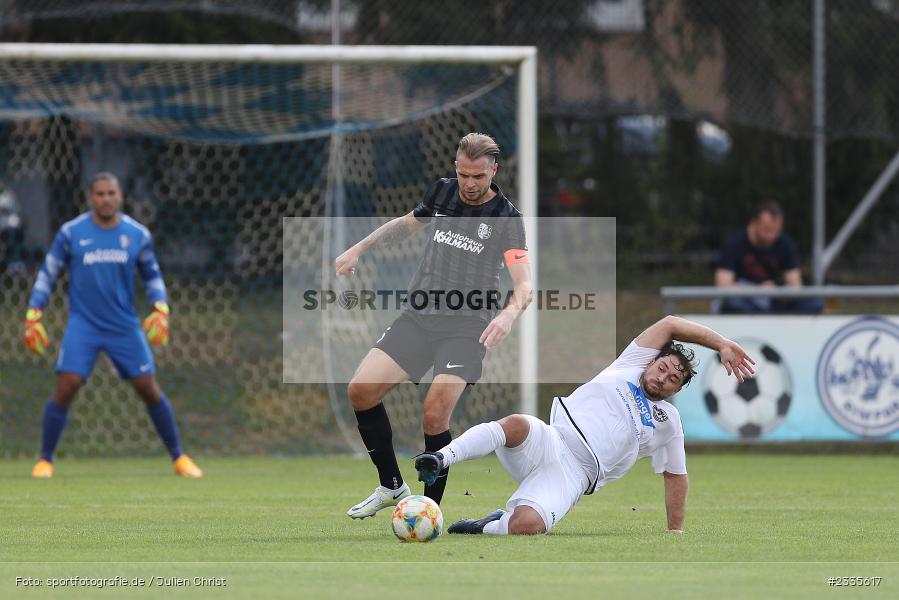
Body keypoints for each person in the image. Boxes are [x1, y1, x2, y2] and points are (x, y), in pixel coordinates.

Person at [335, 132, 532, 518]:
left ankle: (427, 509)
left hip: (466, 328)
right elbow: (405, 225)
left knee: (434, 412)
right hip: (418, 317)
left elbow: (524, 284)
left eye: (478, 176)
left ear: (494, 170)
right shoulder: (442, 193)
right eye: (463, 175)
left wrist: (508, 314)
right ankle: (392, 486)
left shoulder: (507, 220)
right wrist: (359, 247)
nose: (470, 184)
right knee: (361, 391)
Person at [414, 315, 754, 535]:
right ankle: (441, 459)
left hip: (574, 476)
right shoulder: (631, 363)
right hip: (553, 440)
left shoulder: (669, 421)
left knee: (525, 527)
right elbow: (669, 324)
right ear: (652, 361)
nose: (663, 377)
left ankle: (490, 524)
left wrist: (675, 532)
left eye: (673, 379)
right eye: (663, 367)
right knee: (517, 424)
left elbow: (676, 475)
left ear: (677, 391)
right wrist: (722, 344)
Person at [23, 172, 203, 479]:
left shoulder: (137, 234)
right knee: (68, 384)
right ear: (91, 197)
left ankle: (179, 458)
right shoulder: (71, 233)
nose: (106, 199)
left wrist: (161, 305)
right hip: (84, 324)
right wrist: (33, 311)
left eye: (111, 193)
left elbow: (152, 275)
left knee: (148, 387)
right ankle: (45, 460)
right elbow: (48, 272)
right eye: (100, 194)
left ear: (120, 196)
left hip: (123, 324)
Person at [714, 201, 823, 314]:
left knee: (814, 303)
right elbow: (723, 286)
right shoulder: (734, 244)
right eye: (766, 230)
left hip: (773, 301)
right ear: (753, 224)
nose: (771, 236)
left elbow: (795, 286)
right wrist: (758, 291)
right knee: (733, 304)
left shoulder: (785, 244)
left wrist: (777, 292)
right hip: (744, 300)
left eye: (776, 230)